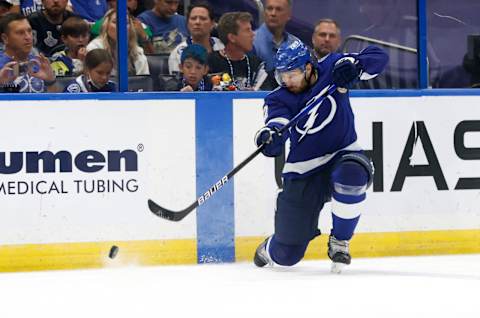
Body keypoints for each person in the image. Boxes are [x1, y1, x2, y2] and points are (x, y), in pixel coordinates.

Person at [253, 39, 388, 273]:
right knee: (287, 255)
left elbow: (379, 57)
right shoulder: (278, 98)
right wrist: (270, 136)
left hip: (343, 154)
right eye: (282, 76)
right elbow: (276, 123)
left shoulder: (333, 67)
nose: (287, 81)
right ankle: (270, 247)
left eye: (292, 74)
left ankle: (340, 241)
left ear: (308, 67)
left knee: (352, 176)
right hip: (303, 172)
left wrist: (356, 67)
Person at [208, 11, 269, 91]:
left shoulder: (257, 64)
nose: (253, 34)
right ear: (232, 38)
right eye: (247, 30)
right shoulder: (209, 63)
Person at [0, 13, 56, 92]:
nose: (28, 37)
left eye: (29, 31)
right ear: (5, 38)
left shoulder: (39, 63)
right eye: (20, 33)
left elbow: (55, 101)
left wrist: (50, 81)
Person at [87, 8, 149, 76]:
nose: (121, 26)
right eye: (115, 22)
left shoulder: (137, 50)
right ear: (106, 25)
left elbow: (143, 80)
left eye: (126, 22)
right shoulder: (95, 47)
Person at [168, 1, 223, 75]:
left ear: (212, 24)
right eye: (193, 18)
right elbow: (178, 83)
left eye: (203, 19)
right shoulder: (178, 53)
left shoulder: (221, 46)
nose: (197, 22)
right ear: (187, 24)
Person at [253, 0, 298, 73]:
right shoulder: (250, 41)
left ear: (289, 15)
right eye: (269, 9)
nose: (273, 13)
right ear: (264, 12)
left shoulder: (295, 45)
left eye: (279, 9)